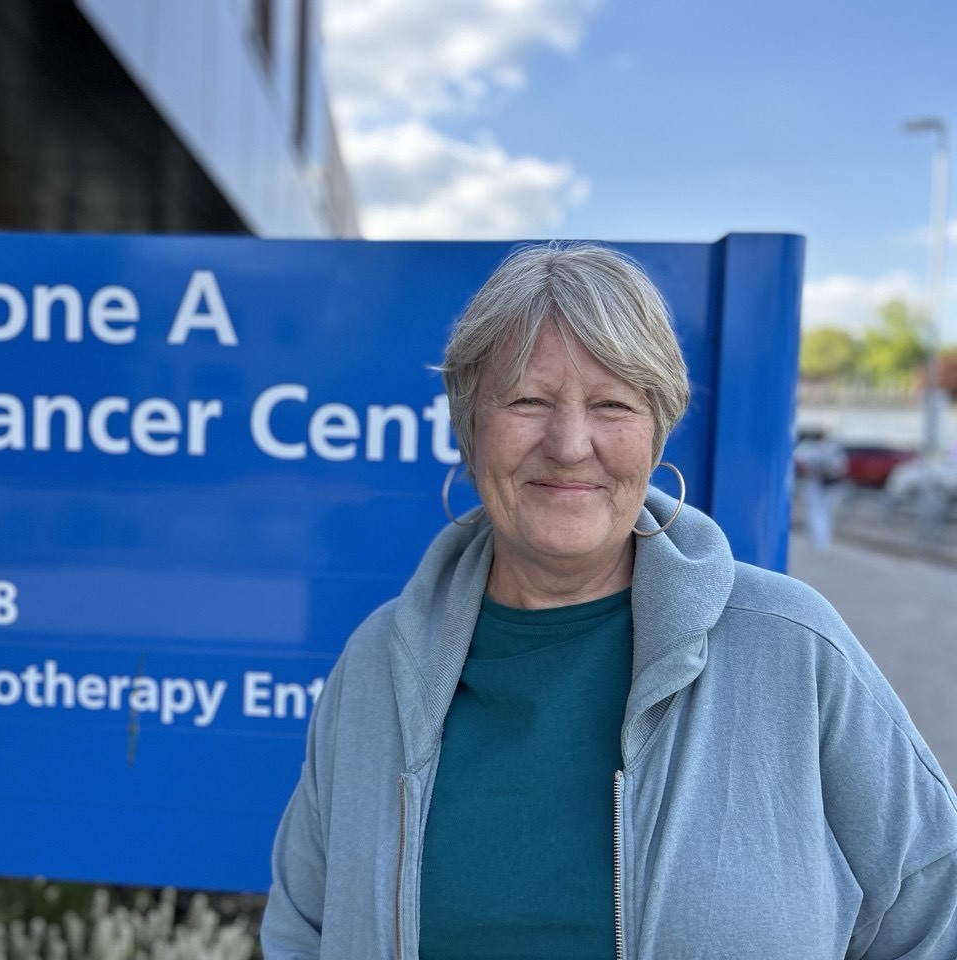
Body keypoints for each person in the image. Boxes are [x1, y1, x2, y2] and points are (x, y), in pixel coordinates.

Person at [260, 243, 957, 958]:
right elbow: (300, 929)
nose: (568, 444)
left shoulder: (793, 649)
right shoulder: (378, 663)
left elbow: (940, 906)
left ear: (657, 436)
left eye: (612, 405)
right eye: (527, 400)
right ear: (469, 431)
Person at [793, 427, 848, 551]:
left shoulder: (809, 448)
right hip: (831, 486)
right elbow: (841, 468)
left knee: (815, 513)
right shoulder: (833, 448)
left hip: (815, 484)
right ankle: (824, 542)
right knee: (826, 514)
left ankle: (818, 542)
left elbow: (799, 463)